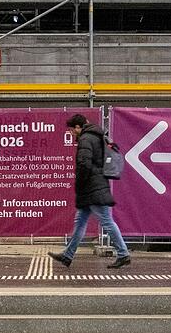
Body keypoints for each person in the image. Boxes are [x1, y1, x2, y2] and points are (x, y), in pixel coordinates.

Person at [49, 114, 131, 269]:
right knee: (80, 222)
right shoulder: (95, 135)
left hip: (93, 187)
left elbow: (84, 164)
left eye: (72, 130)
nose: (71, 133)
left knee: (106, 221)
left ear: (78, 127)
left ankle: (123, 253)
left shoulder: (86, 139)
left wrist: (79, 182)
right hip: (95, 184)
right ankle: (68, 255)